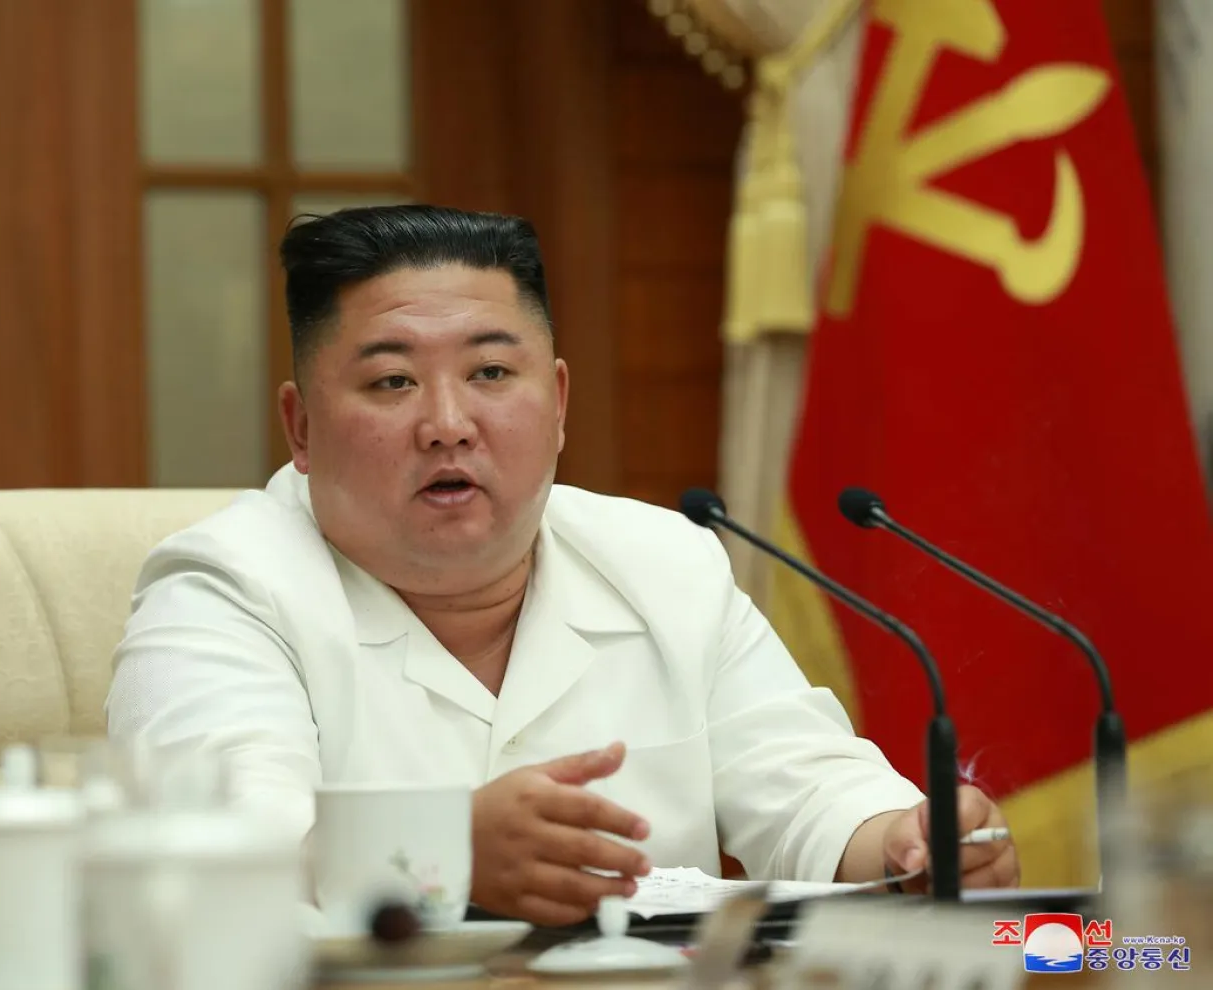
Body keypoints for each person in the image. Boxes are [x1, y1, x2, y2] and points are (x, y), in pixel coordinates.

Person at [105, 204, 1020, 926]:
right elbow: (219, 857)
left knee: (1129, 956)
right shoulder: (220, 589)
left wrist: (908, 843)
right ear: (301, 427)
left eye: (493, 374)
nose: (448, 423)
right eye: (392, 381)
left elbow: (809, 790)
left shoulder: (665, 560)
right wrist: (446, 854)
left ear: (560, 402)